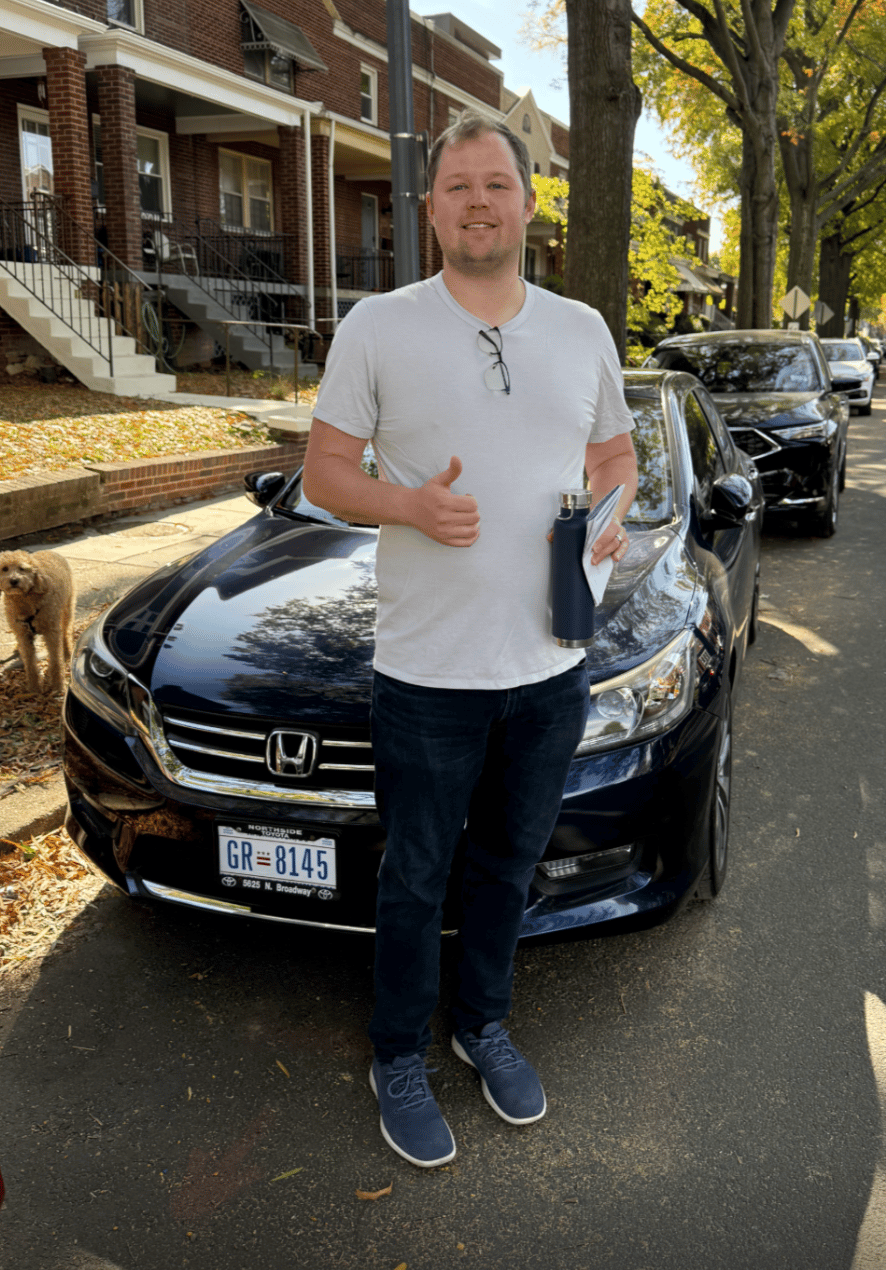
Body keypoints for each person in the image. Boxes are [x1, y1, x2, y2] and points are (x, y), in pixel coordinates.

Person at [302, 110, 638, 1168]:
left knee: (506, 865)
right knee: (414, 874)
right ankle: (396, 1051)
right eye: (458, 186)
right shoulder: (377, 327)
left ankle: (479, 1022)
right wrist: (408, 507)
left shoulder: (583, 326)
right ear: (431, 205)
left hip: (550, 664)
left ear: (528, 204)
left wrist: (607, 520)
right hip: (427, 674)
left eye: (497, 184)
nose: (478, 202)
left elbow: (615, 452)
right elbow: (324, 473)